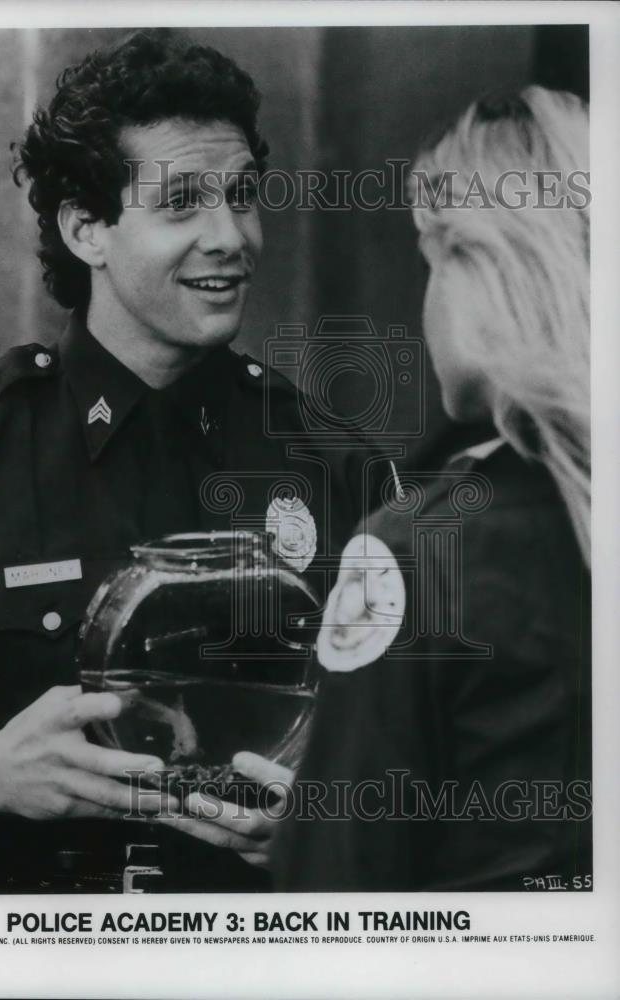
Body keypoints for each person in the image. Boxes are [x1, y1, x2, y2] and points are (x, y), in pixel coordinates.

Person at [0, 30, 372, 893]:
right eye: (182, 202)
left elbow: (428, 764)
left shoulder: (336, 469)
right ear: (86, 229)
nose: (230, 237)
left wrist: (328, 821)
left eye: (242, 196)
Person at [274, 86, 592, 891]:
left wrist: (308, 832)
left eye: (431, 259)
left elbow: (333, 905)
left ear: (484, 266)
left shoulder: (414, 551)